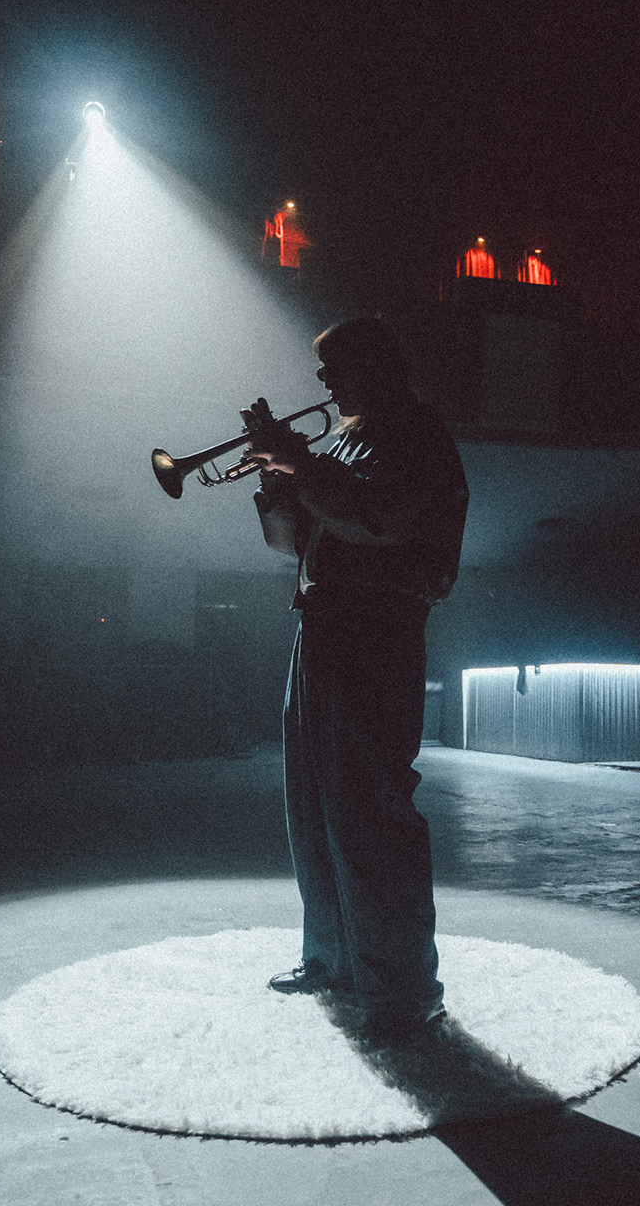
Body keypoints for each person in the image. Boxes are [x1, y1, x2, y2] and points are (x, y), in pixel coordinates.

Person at [246, 316, 469, 1047]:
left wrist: (299, 463)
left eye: (335, 366)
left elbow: (378, 518)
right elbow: (289, 546)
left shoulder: (415, 434)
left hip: (378, 626)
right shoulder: (342, 441)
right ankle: (334, 960)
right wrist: (277, 479)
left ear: (377, 365)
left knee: (371, 811)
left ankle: (405, 994)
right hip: (322, 624)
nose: (323, 381)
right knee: (313, 803)